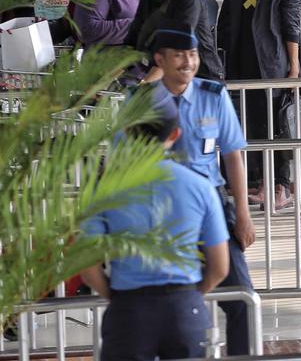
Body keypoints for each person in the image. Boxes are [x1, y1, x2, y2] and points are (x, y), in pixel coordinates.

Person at [80, 97, 229, 361]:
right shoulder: (201, 187)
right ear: (175, 133)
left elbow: (89, 269)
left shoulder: (103, 188)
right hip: (184, 311)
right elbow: (220, 268)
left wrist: (117, 298)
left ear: (127, 131)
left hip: (129, 310)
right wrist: (189, 298)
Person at [143, 27, 255, 357]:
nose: (188, 62)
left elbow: (233, 155)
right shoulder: (141, 103)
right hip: (162, 213)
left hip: (212, 210)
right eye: (178, 55)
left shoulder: (213, 95)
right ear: (160, 60)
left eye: (192, 55)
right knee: (170, 307)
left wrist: (244, 216)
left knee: (242, 300)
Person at [217, 0, 301, 209]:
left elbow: (292, 27)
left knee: (275, 127)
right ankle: (263, 184)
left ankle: (282, 186)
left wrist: (293, 67)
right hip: (242, 61)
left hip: (271, 63)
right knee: (252, 125)